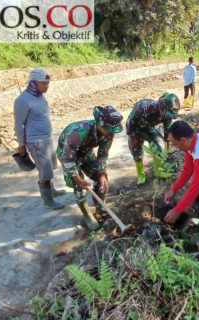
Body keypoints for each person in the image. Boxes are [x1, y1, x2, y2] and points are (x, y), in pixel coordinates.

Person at [56, 106, 123, 230]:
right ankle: (87, 214)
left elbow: (103, 154)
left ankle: (100, 209)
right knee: (80, 186)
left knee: (102, 180)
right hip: (67, 156)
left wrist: (102, 173)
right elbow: (68, 159)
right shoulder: (77, 133)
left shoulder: (109, 132)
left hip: (86, 153)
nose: (110, 132)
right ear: (99, 124)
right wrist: (78, 179)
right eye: (108, 129)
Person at [14, 68, 66, 210]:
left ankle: (52, 191)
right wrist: (21, 144)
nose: (46, 86)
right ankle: (48, 201)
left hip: (47, 138)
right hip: (36, 142)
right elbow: (19, 124)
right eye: (44, 84)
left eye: (48, 83)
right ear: (33, 83)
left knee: (49, 167)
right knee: (45, 171)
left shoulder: (41, 96)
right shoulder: (22, 100)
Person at [126, 92, 180, 185]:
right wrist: (133, 137)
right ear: (160, 107)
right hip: (135, 127)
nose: (167, 116)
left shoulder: (167, 115)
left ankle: (158, 172)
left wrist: (167, 152)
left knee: (158, 147)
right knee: (136, 150)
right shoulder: (143, 108)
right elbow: (130, 124)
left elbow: (167, 134)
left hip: (150, 127)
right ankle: (141, 174)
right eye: (166, 113)